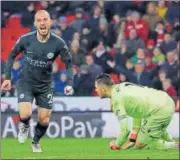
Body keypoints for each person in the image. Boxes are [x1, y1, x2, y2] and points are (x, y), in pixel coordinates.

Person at [1, 10, 74, 152]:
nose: (42, 23)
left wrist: (70, 83)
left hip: (45, 85)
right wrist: (7, 78)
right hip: (26, 82)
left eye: (45, 20)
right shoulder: (26, 39)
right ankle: (25, 125)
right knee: (25, 114)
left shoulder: (58, 43)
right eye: (39, 20)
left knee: (44, 120)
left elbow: (69, 64)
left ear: (50, 22)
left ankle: (35, 141)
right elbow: (11, 55)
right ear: (35, 23)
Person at [95, 74, 179, 150]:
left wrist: (116, 144)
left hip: (158, 109)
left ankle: (174, 146)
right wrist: (135, 133)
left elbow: (125, 129)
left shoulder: (116, 100)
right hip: (165, 100)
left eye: (96, 88)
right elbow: (138, 110)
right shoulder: (124, 85)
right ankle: (172, 142)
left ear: (103, 90)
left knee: (143, 144)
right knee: (153, 129)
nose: (96, 90)